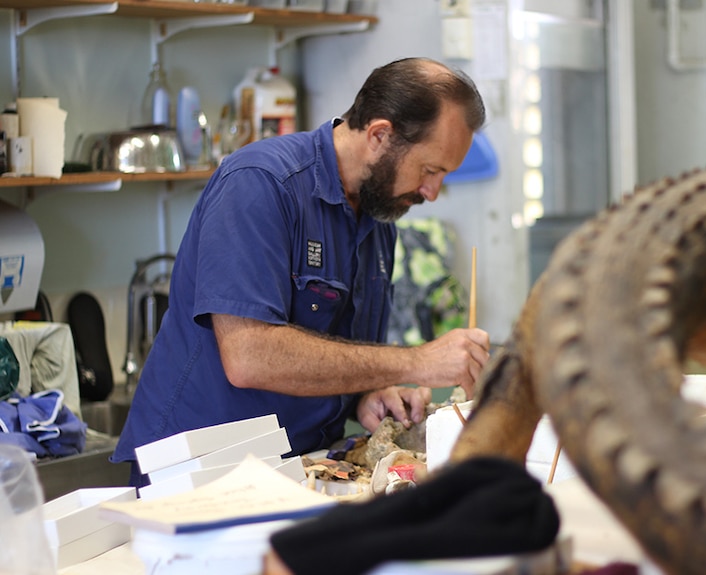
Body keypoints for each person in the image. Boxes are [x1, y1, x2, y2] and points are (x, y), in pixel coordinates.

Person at [110, 57, 491, 488]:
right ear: (380, 135)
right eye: (430, 170)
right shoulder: (260, 184)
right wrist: (417, 363)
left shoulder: (379, 220)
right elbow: (250, 356)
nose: (432, 193)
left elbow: (335, 353)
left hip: (295, 468)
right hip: (198, 474)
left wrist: (368, 397)